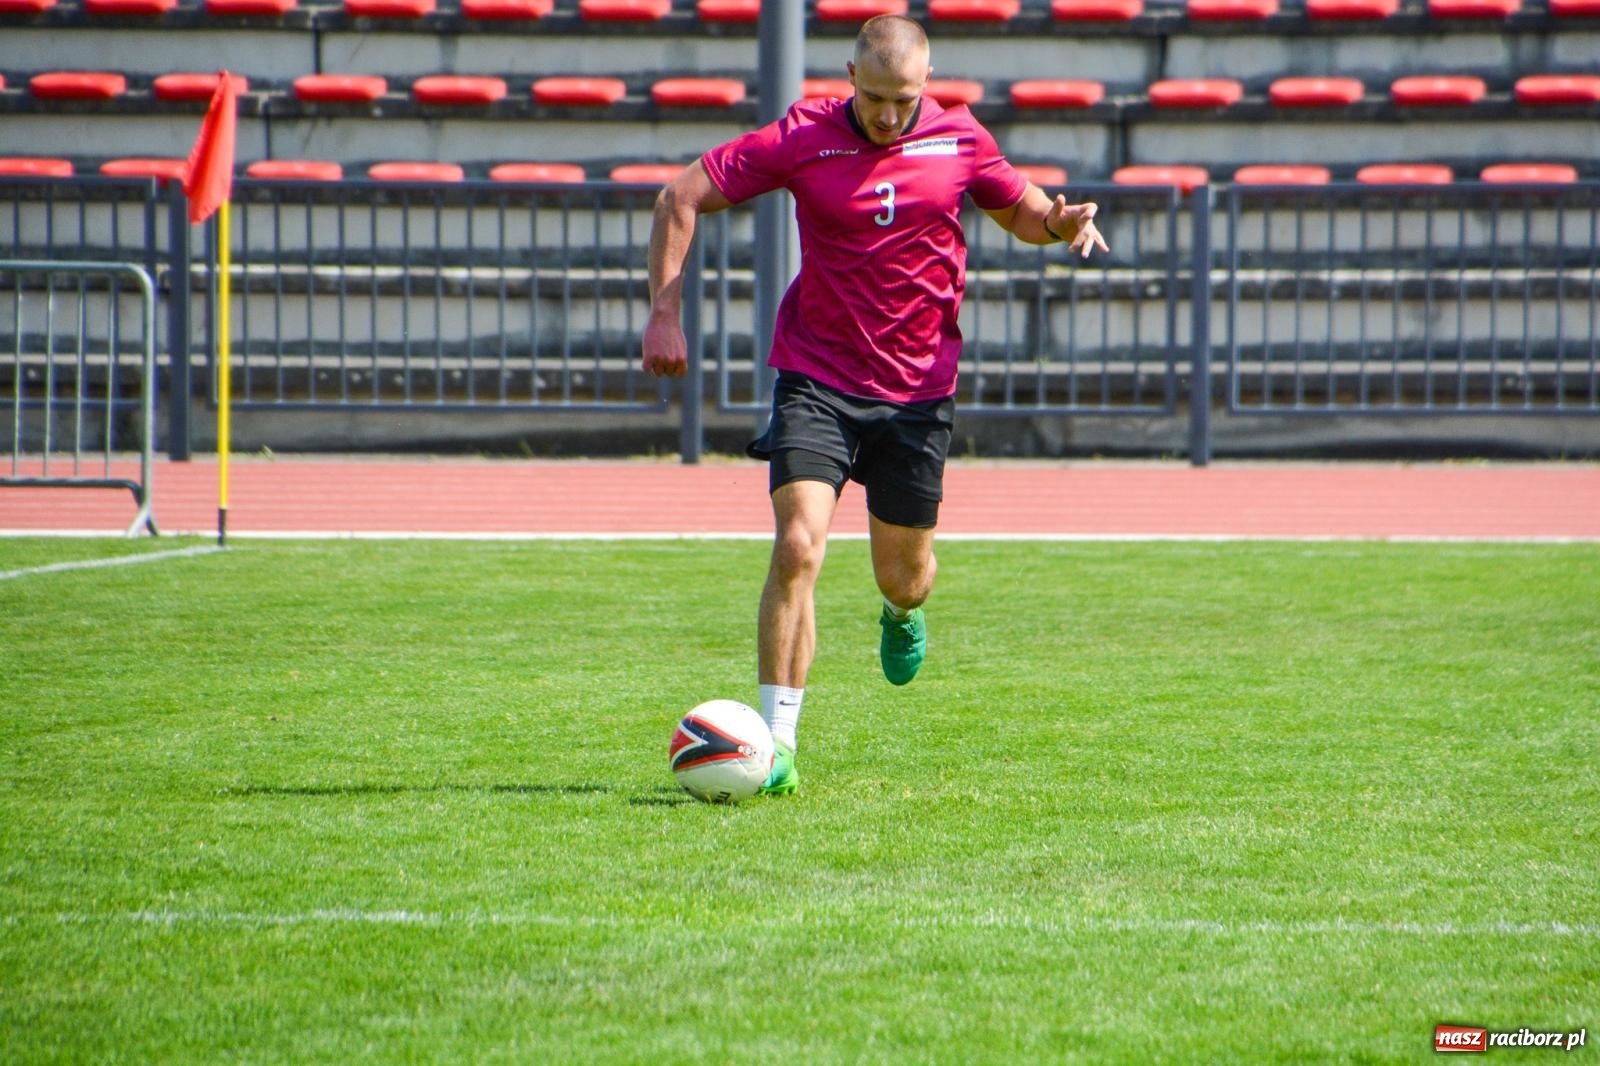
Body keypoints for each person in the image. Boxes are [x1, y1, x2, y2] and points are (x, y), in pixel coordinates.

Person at [642, 14, 1108, 796]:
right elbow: (680, 195)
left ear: (926, 86)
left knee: (906, 578)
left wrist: (1057, 223)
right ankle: (780, 745)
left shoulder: (960, 138)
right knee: (798, 546)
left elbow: (1022, 208)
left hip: (917, 393)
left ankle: (900, 613)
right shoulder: (804, 135)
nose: (889, 116)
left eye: (904, 100)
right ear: (849, 77)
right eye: (876, 98)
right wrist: (663, 311)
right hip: (817, 377)